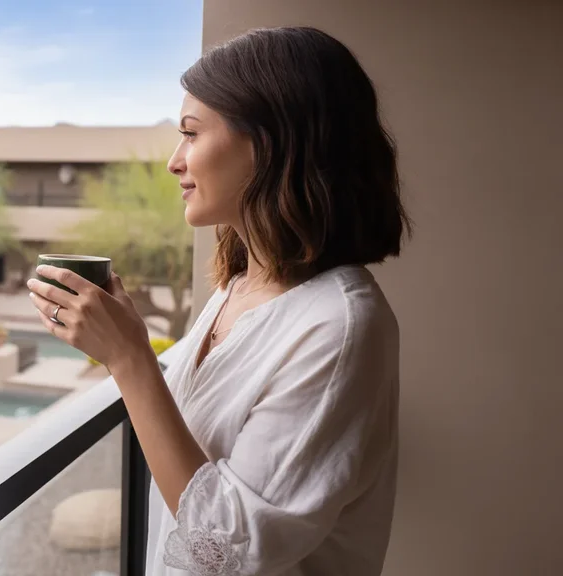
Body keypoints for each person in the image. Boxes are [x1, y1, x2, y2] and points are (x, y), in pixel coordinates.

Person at [26, 26, 411, 576]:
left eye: (191, 134)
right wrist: (116, 332)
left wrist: (130, 358)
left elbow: (224, 554)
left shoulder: (340, 326)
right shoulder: (239, 288)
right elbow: (191, 422)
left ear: (271, 141)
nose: (174, 162)